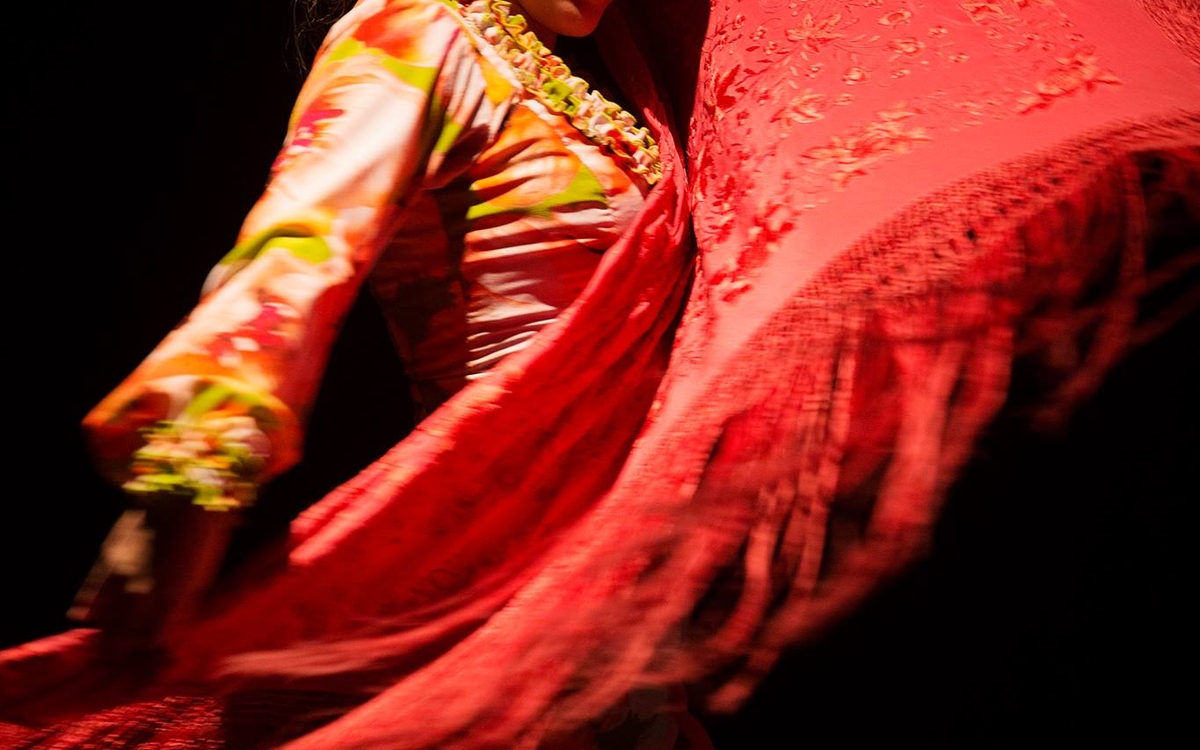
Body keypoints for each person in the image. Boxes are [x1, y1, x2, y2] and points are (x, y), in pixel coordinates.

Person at [3, 0, 1198, 748]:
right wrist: (178, 506)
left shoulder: (616, 95)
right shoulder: (415, 31)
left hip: (611, 592)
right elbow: (290, 260)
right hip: (489, 569)